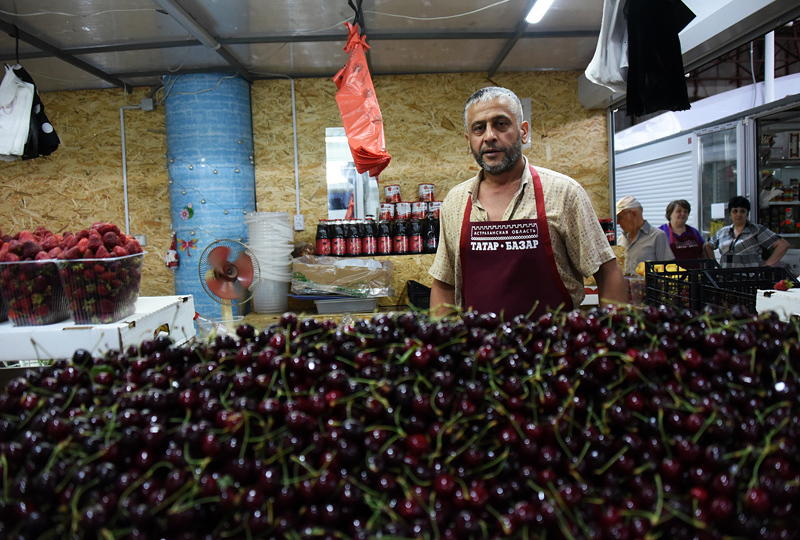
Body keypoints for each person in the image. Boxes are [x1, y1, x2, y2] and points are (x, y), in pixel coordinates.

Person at [428, 86, 627, 319]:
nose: (490, 136)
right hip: (479, 350)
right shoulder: (455, 201)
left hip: (552, 349)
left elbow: (607, 271)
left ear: (523, 131)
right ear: (469, 140)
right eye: (479, 128)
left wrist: (614, 339)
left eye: (501, 124)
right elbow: (444, 283)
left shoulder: (564, 193)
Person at [703, 195, 789, 268]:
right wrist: (714, 267)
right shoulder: (723, 232)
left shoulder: (756, 230)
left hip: (750, 280)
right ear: (730, 213)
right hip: (726, 280)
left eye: (742, 211)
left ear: (747, 213)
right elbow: (708, 246)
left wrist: (767, 266)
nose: (738, 214)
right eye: (735, 211)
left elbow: (783, 245)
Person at [616, 196, 675, 274]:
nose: (617, 222)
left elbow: (668, 269)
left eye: (620, 218)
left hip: (648, 286)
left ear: (633, 214)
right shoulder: (621, 239)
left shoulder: (657, 236)